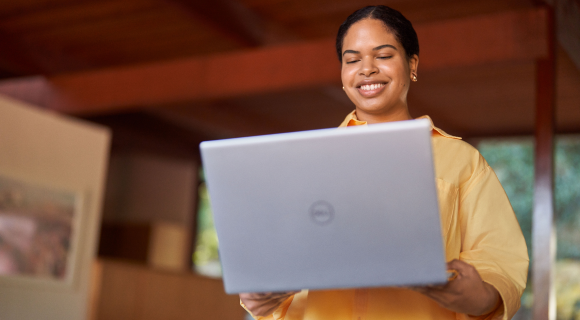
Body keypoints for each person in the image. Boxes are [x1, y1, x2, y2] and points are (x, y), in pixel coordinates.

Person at [240, 5, 529, 320]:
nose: (366, 69)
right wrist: (262, 299)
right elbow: (278, 279)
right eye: (352, 60)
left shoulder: (463, 162)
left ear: (412, 64)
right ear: (342, 74)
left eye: (383, 55)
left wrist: (479, 296)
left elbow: (500, 266)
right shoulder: (306, 162)